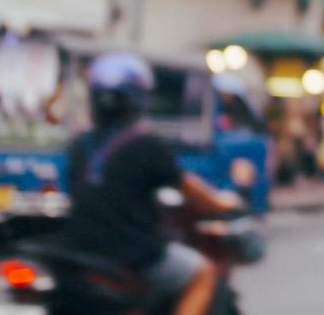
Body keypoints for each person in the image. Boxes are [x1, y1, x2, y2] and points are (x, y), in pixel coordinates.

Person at [62, 52, 238, 315]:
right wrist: (224, 202)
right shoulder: (145, 144)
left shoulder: (80, 145)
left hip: (78, 248)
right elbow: (192, 191)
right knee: (202, 273)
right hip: (132, 253)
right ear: (137, 98)